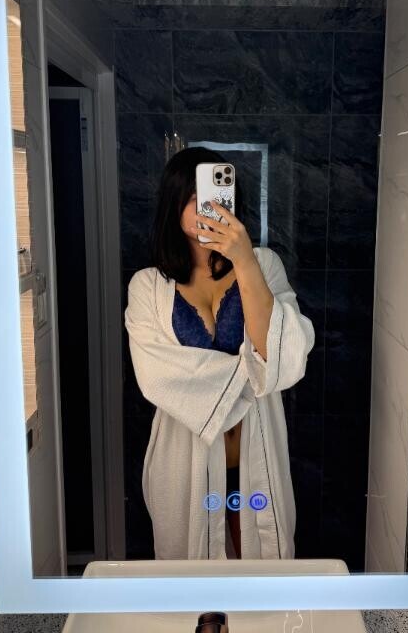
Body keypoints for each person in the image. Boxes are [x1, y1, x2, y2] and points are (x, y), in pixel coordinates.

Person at [124, 146, 315, 560]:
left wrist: (243, 260)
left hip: (256, 459)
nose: (204, 206)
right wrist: (255, 370)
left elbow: (286, 354)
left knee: (260, 577)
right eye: (192, 197)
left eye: (212, 194)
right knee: (192, 583)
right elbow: (156, 377)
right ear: (173, 203)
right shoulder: (148, 287)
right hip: (185, 466)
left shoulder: (264, 265)